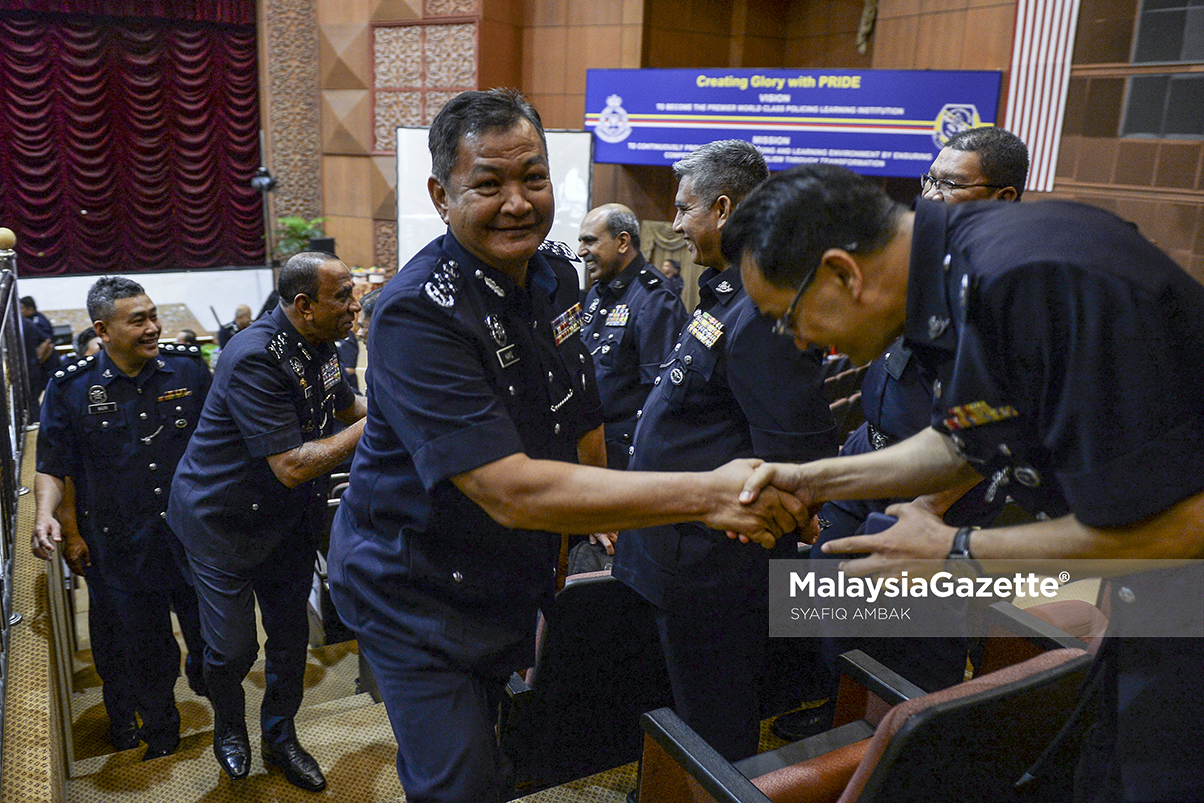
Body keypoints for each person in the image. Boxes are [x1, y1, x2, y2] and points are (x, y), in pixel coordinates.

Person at [326, 89, 804, 803]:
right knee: (462, 782)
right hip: (415, 590)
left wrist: (593, 524)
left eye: (533, 177)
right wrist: (707, 495)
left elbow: (580, 412)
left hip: (508, 576)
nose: (517, 201)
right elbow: (511, 490)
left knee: (499, 741)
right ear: (440, 192)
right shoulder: (416, 311)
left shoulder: (554, 277)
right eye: (488, 184)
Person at [726, 163, 1204, 802]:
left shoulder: (1031, 280)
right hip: (1151, 602)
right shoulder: (955, 270)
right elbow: (966, 439)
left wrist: (953, 553)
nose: (799, 341)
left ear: (844, 273)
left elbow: (1182, 526)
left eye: (787, 317)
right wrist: (814, 480)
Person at [789, 126, 1029, 730]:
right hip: (872, 461)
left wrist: (923, 510)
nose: (930, 196)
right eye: (929, 179)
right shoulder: (935, 266)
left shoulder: (1006, 290)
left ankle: (909, 743)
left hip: (936, 495)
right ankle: (837, 716)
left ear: (1001, 199)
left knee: (915, 642)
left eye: (947, 184)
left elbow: (995, 434)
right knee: (835, 612)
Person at [612, 140, 839, 762]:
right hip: (671, 550)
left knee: (713, 723)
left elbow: (792, 457)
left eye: (684, 210)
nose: (677, 225)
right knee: (672, 712)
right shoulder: (725, 293)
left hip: (712, 568)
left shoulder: (765, 310)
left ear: (723, 207)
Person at [168, 252, 366, 791]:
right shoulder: (254, 354)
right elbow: (292, 465)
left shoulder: (321, 341)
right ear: (304, 305)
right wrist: (384, 424)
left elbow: (347, 406)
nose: (355, 304)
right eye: (343, 295)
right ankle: (229, 730)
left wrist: (399, 403)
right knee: (232, 650)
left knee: (287, 641)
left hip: (285, 524)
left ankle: (280, 737)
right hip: (222, 521)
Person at [31, 276, 210, 761]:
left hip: (194, 540)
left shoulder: (188, 371)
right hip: (122, 548)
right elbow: (52, 465)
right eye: (139, 321)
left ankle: (226, 719)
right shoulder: (71, 388)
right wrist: (48, 517)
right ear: (102, 329)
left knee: (216, 646)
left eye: (154, 316)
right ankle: (163, 737)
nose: (153, 327)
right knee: (146, 655)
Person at [578, 203, 686, 469]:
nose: (581, 252)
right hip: (591, 442)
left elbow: (660, 396)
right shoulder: (597, 292)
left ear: (622, 242)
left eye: (590, 241)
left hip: (625, 454)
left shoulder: (655, 298)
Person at [21, 295, 61, 395]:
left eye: (21, 308)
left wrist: (36, 362)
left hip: (48, 363)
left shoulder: (38, 321)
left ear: (29, 309)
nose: (20, 311)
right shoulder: (29, 320)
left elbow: (48, 343)